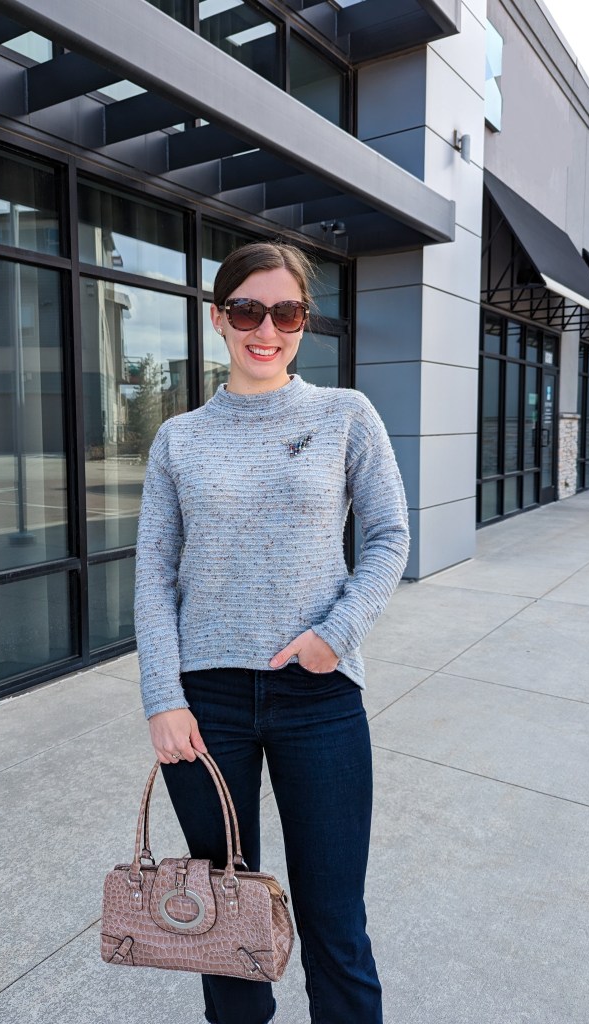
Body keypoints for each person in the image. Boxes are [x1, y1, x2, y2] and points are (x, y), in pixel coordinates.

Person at [134, 240, 410, 1024]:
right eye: (248, 310)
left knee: (334, 920)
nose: (267, 329)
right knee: (223, 922)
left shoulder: (344, 414)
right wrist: (162, 696)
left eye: (284, 311)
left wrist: (336, 632)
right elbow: (153, 574)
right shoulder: (178, 439)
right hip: (204, 707)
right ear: (218, 318)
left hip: (319, 697)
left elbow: (389, 535)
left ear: (302, 320)